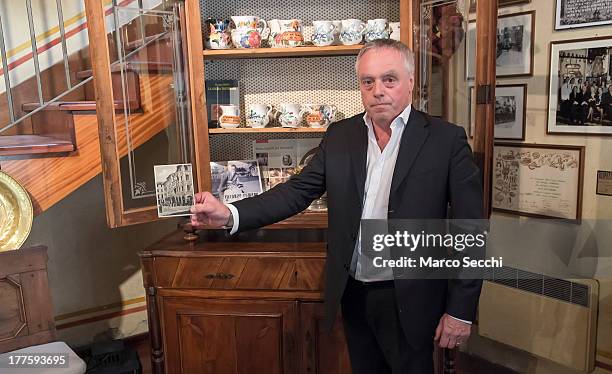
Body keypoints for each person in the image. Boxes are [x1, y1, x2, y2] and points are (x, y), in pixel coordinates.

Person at [191, 39, 484, 374]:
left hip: (412, 296)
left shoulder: (446, 139)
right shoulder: (341, 135)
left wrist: (461, 309)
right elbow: (297, 192)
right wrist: (230, 213)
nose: (378, 91)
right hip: (353, 291)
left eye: (389, 79)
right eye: (367, 81)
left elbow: (470, 230)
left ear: (410, 82)